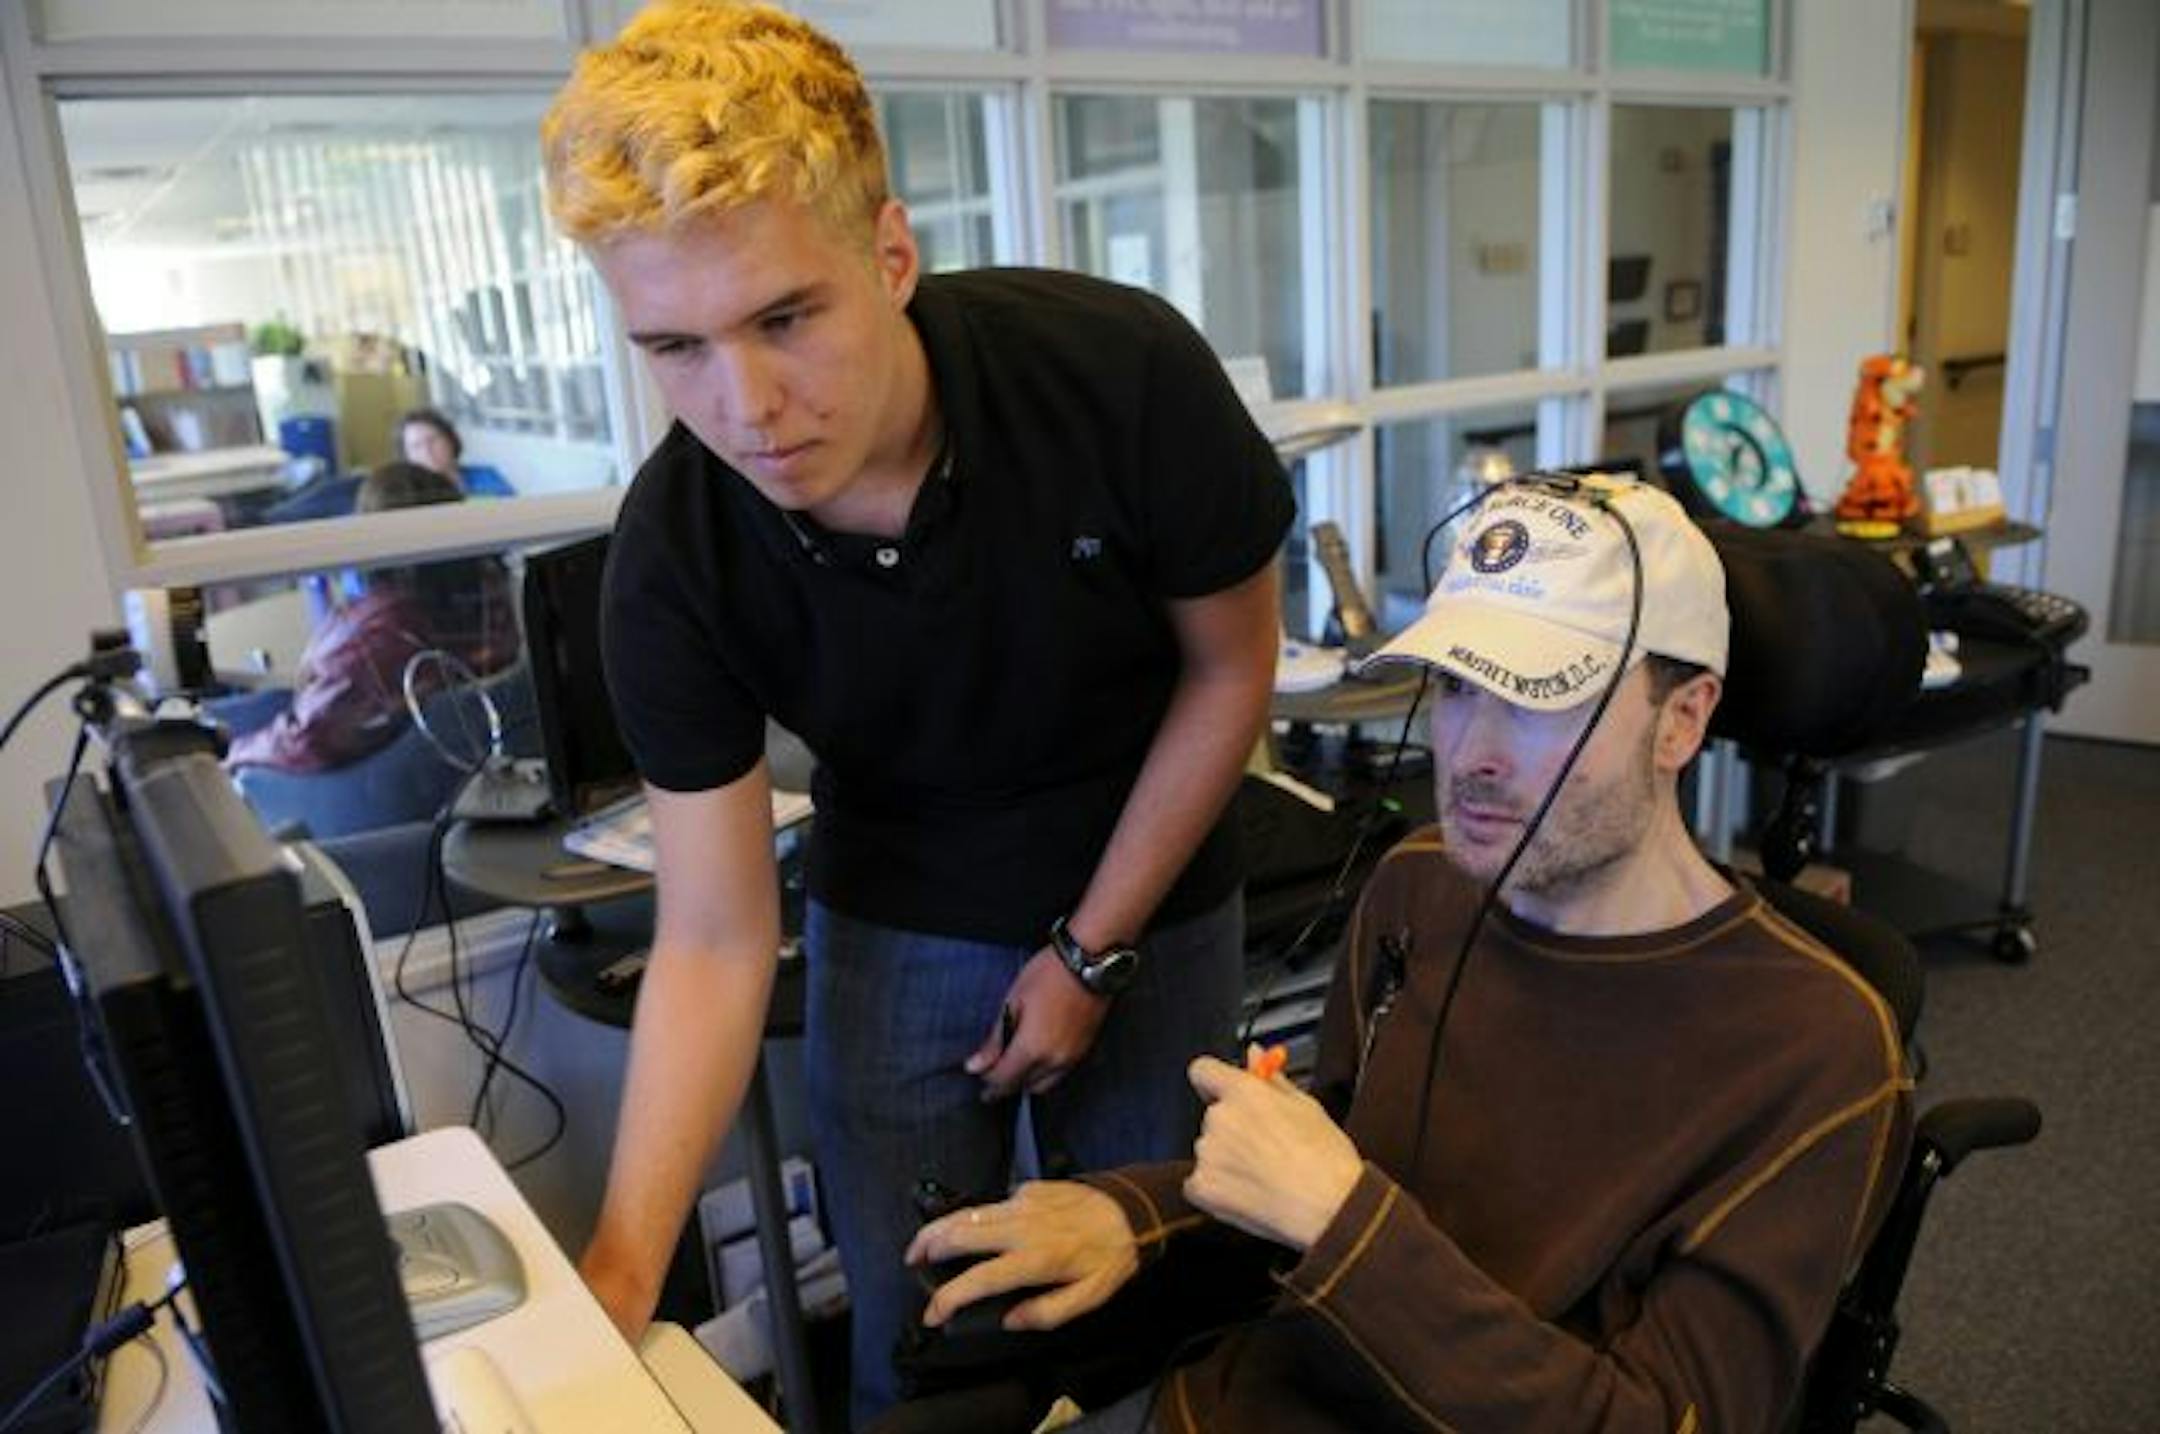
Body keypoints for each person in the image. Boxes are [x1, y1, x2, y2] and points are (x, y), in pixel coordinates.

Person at [539, 2, 1290, 1419]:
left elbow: (1228, 672)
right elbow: (713, 933)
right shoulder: (674, 559)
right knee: (919, 1329)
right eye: (676, 347)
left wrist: (1090, 951)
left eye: (785, 319)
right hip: (896, 897)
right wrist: (622, 1272)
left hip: (1149, 862)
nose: (747, 407)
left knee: (1153, 1304)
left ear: (890, 255)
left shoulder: (1118, 372)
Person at [909, 478, 1916, 1433]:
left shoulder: (1814, 1049)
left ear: (1680, 721)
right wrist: (1137, 1217)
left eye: (1536, 700)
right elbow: (1323, 1170)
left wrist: (1345, 1225)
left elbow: (1659, 1419)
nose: (1469, 755)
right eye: (1456, 689)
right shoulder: (1422, 883)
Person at [224, 461, 519, 774]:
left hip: (351, 778)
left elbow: (307, 740)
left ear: (372, 532)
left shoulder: (381, 631)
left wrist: (235, 754)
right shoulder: (493, 595)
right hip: (432, 749)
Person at [395, 406, 516, 499]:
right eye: (416, 446)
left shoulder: (487, 477)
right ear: (406, 456)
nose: (427, 451)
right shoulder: (405, 496)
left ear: (450, 440)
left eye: (432, 440)